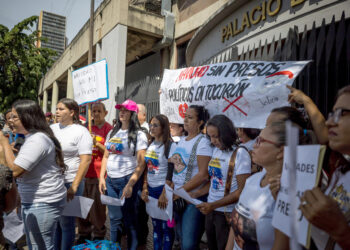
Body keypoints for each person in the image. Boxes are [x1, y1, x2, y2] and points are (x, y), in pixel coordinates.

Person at [226, 121, 308, 250]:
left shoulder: (287, 193)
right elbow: (235, 226)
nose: (253, 145)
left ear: (281, 151)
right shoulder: (252, 180)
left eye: (260, 141)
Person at [0, 99, 66, 249]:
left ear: (27, 117)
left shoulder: (37, 140)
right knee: (34, 244)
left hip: (42, 203)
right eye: (10, 117)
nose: (10, 121)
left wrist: (4, 144)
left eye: (14, 117)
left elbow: (15, 171)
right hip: (36, 201)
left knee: (40, 246)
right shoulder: (32, 137)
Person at [298, 85, 350, 249]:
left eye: (342, 113)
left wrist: (341, 232)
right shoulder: (340, 171)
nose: (329, 123)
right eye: (331, 114)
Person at [196, 115, 251, 250]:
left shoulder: (240, 153)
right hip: (211, 211)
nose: (213, 141)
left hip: (227, 215)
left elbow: (242, 192)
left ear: (226, 133)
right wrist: (195, 194)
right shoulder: (215, 151)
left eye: (216, 136)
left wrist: (214, 205)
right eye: (210, 137)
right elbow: (215, 180)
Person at [99, 99, 148, 250]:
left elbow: (141, 163)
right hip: (111, 181)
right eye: (121, 109)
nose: (122, 112)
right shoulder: (112, 132)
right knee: (114, 219)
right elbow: (106, 157)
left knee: (130, 221)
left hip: (128, 181)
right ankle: (114, 247)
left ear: (133, 113)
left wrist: (130, 184)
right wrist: (102, 177)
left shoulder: (139, 135)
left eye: (126, 110)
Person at [168, 105, 213, 250]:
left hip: (193, 199)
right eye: (185, 116)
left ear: (200, 122)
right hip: (178, 197)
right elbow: (176, 167)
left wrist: (180, 191)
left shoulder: (203, 143)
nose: (185, 120)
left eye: (190, 117)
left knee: (188, 244)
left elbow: (203, 174)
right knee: (180, 237)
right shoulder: (181, 140)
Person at [51, 98, 92, 250]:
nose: (57, 112)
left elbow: (86, 160)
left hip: (71, 182)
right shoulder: (52, 128)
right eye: (57, 109)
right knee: (56, 222)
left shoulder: (81, 131)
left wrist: (74, 186)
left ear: (72, 112)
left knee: (67, 223)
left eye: (61, 109)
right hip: (54, 182)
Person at [77, 103, 113, 242]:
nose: (96, 114)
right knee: (82, 207)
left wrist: (96, 144)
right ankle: (83, 233)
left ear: (105, 112)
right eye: (94, 111)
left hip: (99, 176)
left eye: (99, 111)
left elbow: (110, 153)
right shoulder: (84, 128)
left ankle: (98, 235)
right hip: (84, 174)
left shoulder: (109, 129)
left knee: (97, 209)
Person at [141, 114, 175, 250]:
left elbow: (172, 172)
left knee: (167, 227)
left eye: (156, 125)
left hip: (164, 190)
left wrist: (165, 192)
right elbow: (146, 168)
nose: (152, 128)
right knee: (155, 226)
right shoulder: (150, 144)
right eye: (151, 125)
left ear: (164, 127)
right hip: (151, 189)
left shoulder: (171, 145)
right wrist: (145, 187)